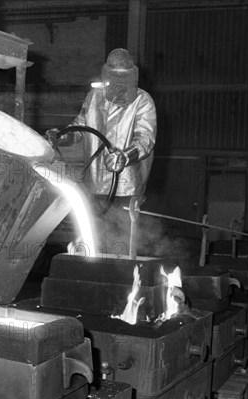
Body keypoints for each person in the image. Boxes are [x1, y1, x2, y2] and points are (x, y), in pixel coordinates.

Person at [46, 48, 157, 256]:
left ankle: (122, 281)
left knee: (120, 244)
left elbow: (145, 139)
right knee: (92, 241)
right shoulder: (94, 97)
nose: (117, 85)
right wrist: (62, 136)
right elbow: (80, 127)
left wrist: (125, 156)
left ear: (133, 77)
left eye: (122, 78)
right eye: (113, 77)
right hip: (95, 183)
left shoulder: (143, 101)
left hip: (125, 187)